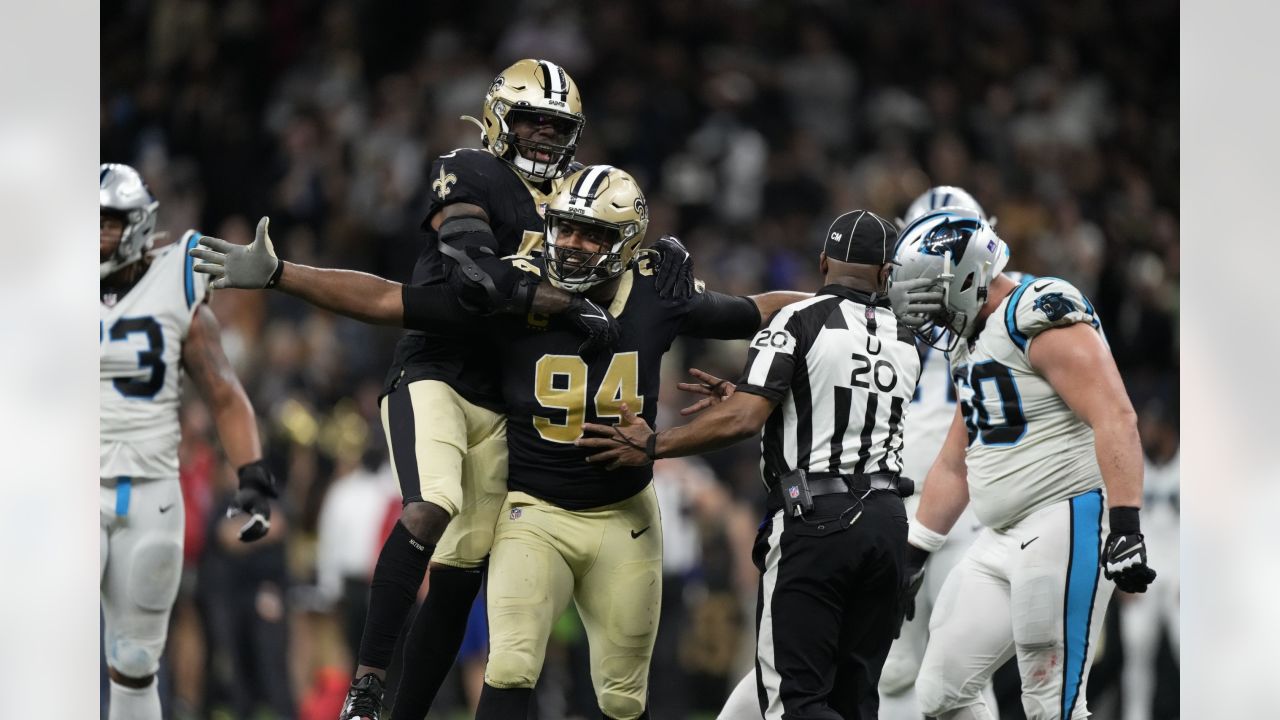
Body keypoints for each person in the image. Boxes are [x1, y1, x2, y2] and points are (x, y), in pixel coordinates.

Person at [190, 164, 806, 719]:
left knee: (621, 698)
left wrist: (850, 306)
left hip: (626, 517)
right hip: (532, 512)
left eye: (594, 234)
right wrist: (279, 274)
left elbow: (760, 310)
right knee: (509, 668)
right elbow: (388, 299)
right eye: (566, 228)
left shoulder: (656, 293)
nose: (574, 244)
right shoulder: (513, 291)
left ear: (627, 243)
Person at [579, 209, 920, 720]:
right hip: (889, 522)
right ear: (886, 272)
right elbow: (834, 407)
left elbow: (742, 419)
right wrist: (760, 395)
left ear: (823, 260)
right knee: (855, 700)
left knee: (794, 702)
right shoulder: (907, 338)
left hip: (818, 521)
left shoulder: (800, 317)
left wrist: (655, 444)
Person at [888, 207, 1158, 720]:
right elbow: (956, 462)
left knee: (1050, 703)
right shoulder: (970, 343)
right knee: (942, 692)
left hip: (1066, 515)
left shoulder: (1036, 309)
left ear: (964, 271)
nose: (928, 313)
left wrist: (1125, 523)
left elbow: (1115, 415)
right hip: (998, 536)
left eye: (930, 292)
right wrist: (914, 552)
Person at [100, 162, 276, 720]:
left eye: (110, 222)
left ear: (139, 224)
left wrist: (251, 474)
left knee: (134, 662)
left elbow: (224, 392)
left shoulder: (175, 280)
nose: (99, 234)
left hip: (154, 493)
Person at [878, 187, 1000, 720]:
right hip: (893, 499)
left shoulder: (1003, 313)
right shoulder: (877, 316)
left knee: (958, 669)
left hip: (968, 507)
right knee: (894, 667)